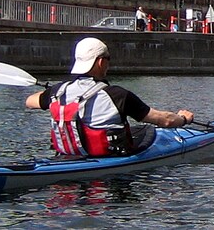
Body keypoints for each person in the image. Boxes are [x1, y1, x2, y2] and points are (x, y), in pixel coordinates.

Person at [25, 37, 195, 157]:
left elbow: (30, 101)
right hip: (108, 159)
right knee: (148, 130)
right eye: (108, 59)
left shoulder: (58, 91)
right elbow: (165, 120)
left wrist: (53, 92)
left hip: (71, 155)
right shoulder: (118, 95)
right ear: (100, 62)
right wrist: (184, 119)